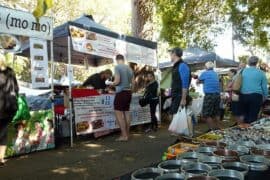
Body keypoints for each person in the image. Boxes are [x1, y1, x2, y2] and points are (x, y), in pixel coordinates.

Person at [106, 54, 133, 141]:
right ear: (123, 59)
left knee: (118, 113)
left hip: (121, 92)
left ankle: (124, 136)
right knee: (127, 113)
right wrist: (130, 90)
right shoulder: (129, 68)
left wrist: (110, 83)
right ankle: (127, 134)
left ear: (116, 60)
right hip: (128, 92)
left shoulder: (117, 67)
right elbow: (134, 82)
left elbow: (117, 81)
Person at [0, 53, 19, 166]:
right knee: (3, 133)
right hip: (10, 107)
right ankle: (1, 158)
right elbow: (16, 88)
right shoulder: (10, 71)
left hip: (2, 106)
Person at [239, 56, 268, 124]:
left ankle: (244, 131)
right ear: (257, 63)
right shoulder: (261, 73)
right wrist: (265, 97)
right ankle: (251, 132)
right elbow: (264, 87)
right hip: (256, 96)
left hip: (243, 96)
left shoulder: (242, 71)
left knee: (245, 115)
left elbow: (236, 81)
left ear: (248, 63)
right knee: (253, 117)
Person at [197, 61, 221, 131]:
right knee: (216, 113)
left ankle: (212, 129)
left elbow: (198, 81)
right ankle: (218, 128)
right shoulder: (215, 74)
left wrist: (200, 81)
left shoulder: (205, 73)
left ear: (206, 67)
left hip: (209, 95)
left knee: (206, 114)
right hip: (217, 95)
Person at [169, 47, 191, 115]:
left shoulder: (182, 65)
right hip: (176, 96)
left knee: (179, 120)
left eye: (171, 54)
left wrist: (183, 99)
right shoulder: (176, 66)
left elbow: (185, 84)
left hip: (180, 97)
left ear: (174, 54)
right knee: (174, 118)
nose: (170, 55)